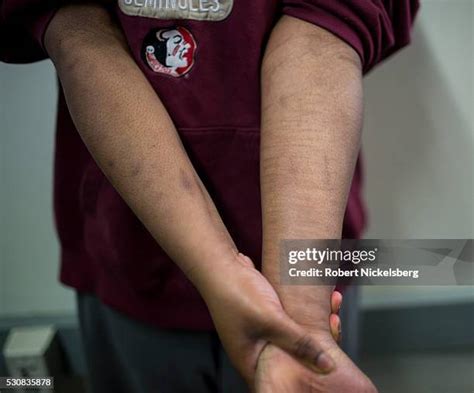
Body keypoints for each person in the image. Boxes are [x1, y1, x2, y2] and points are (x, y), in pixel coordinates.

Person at [0, 1, 419, 392]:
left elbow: (327, 26)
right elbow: (76, 31)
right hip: (130, 251)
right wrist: (228, 276)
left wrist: (302, 320)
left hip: (310, 262)